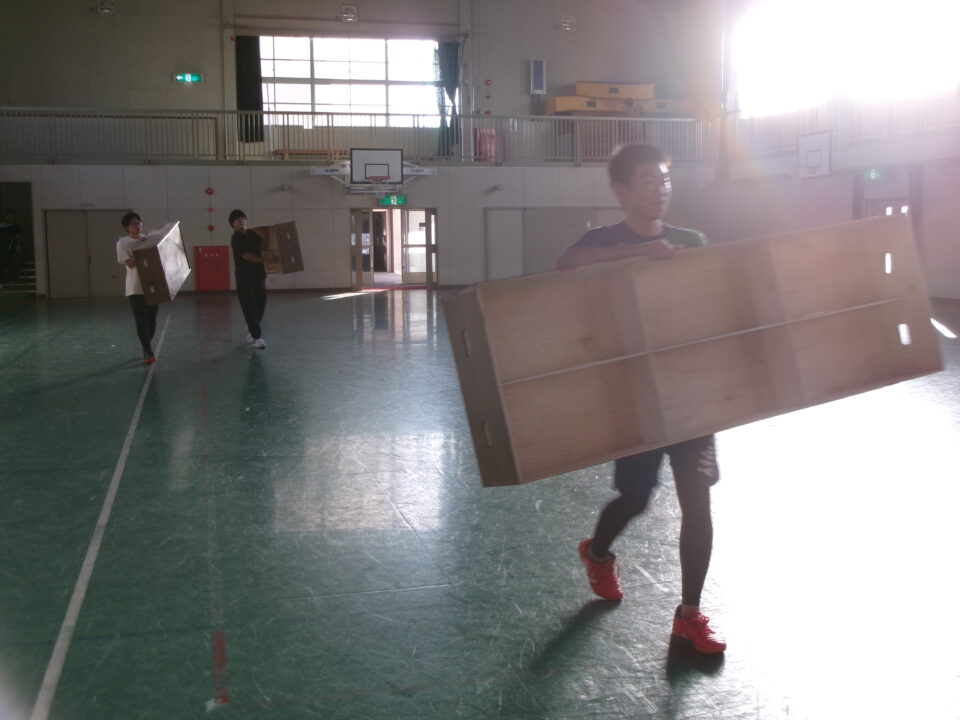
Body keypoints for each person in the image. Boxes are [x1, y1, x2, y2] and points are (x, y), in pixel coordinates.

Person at [556, 143, 726, 655]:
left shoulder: (691, 240)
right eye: (649, 181)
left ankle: (690, 615)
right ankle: (598, 553)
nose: (660, 190)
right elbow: (567, 266)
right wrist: (637, 255)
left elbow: (713, 295)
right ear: (622, 190)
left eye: (665, 180)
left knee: (698, 501)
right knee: (635, 498)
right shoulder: (602, 240)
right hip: (636, 394)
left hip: (689, 392)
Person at [116, 211, 159, 364]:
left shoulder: (147, 240)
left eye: (139, 223)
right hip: (135, 287)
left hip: (152, 285)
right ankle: (148, 350)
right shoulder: (123, 243)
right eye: (134, 224)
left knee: (152, 322)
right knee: (141, 320)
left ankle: (146, 344)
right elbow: (130, 263)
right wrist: (143, 249)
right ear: (127, 227)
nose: (138, 226)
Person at [229, 209, 269, 349]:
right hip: (244, 278)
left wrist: (265, 234)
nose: (241, 221)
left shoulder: (252, 234)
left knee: (261, 304)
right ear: (233, 224)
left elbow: (263, 246)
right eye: (237, 219)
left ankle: (251, 327)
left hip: (259, 276)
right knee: (250, 307)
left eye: (243, 218)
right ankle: (256, 338)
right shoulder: (236, 238)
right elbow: (246, 256)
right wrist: (264, 260)